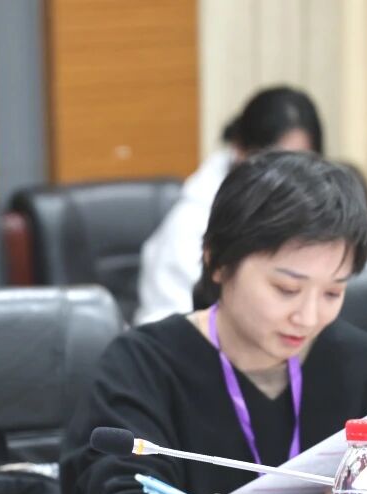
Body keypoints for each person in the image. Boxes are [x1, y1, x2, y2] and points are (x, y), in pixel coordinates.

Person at [62, 151, 367, 494]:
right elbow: (117, 493)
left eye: (333, 292)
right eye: (286, 289)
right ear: (218, 261)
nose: (308, 317)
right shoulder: (144, 364)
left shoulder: (359, 362)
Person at [135, 86, 323, 325]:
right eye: (278, 165)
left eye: (302, 164)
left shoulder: (317, 215)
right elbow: (166, 325)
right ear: (240, 150)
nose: (291, 179)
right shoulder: (191, 224)